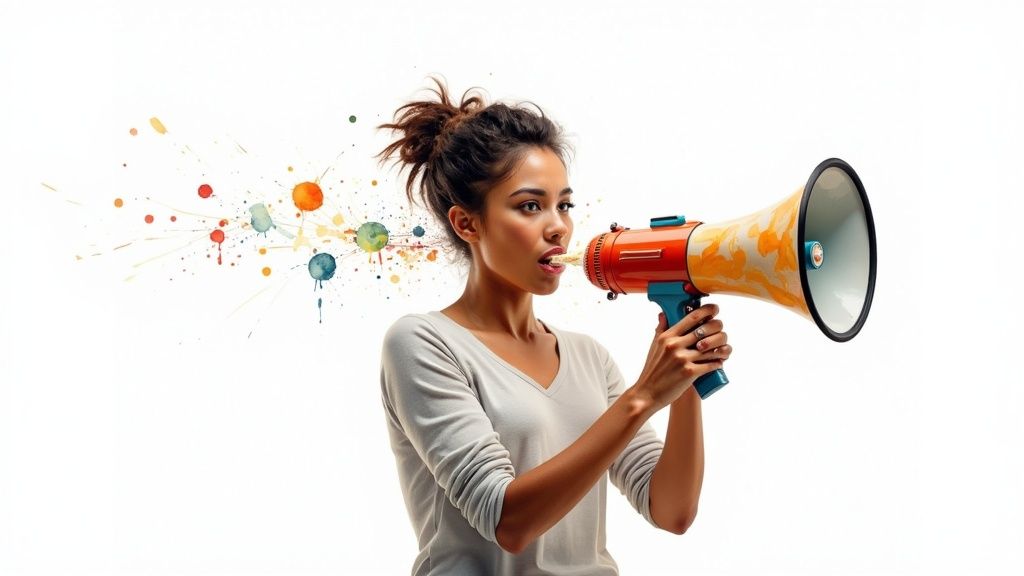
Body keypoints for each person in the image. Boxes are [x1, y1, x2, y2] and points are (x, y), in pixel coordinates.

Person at [376, 77, 732, 575]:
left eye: (563, 204)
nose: (558, 225)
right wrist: (645, 396)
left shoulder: (589, 357)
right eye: (529, 205)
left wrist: (685, 375)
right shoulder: (424, 343)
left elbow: (671, 510)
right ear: (467, 224)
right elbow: (507, 521)